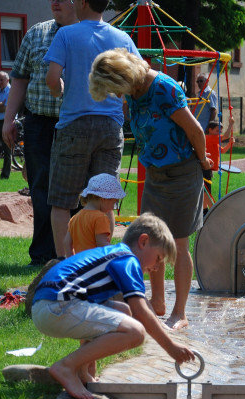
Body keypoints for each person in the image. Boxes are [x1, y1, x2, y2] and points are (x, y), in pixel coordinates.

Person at [89, 48, 213, 330]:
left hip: (182, 173)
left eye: (114, 88)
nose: (116, 94)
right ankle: (157, 303)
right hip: (156, 174)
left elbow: (195, 131)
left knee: (179, 243)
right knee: (151, 237)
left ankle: (180, 313)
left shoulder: (163, 88)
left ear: (124, 77)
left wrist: (204, 160)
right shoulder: (133, 91)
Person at [31, 212, 195, 399]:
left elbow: (114, 309)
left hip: (49, 304)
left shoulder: (115, 254)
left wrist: (89, 359)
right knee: (135, 332)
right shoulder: (127, 260)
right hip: (56, 306)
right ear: (143, 242)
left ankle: (82, 370)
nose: (158, 267)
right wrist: (170, 346)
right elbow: (141, 311)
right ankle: (67, 366)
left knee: (123, 311)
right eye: (158, 258)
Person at [44, 0, 139, 258]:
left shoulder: (66, 34)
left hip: (74, 125)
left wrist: (59, 90)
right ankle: (104, 261)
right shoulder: (122, 37)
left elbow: (52, 79)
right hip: (110, 127)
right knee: (105, 200)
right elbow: (139, 77)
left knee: (62, 202)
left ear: (84, 2)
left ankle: (65, 264)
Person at [2, 0, 77, 267]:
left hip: (77, 123)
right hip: (39, 123)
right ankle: (44, 255)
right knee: (41, 188)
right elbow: (20, 78)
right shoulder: (36, 33)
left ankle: (77, 252)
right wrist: (8, 119)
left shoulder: (90, 33)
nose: (55, 3)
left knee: (79, 190)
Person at [63, 173, 124, 257]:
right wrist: (119, 251)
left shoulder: (75, 218)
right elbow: (102, 244)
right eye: (114, 202)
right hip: (95, 264)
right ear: (104, 198)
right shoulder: (100, 218)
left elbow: (67, 243)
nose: (113, 207)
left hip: (81, 263)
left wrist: (72, 261)